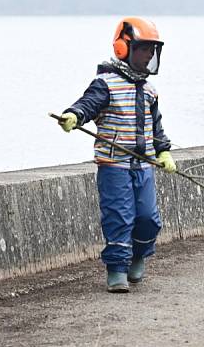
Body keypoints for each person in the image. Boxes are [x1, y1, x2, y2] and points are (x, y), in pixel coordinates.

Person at [56, 17, 176, 293]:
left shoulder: (149, 90)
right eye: (144, 48)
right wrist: (74, 115)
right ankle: (117, 270)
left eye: (151, 50)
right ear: (125, 48)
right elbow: (88, 104)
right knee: (119, 217)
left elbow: (154, 125)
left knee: (148, 218)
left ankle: (138, 257)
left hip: (143, 166)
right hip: (114, 167)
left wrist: (163, 151)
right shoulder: (105, 83)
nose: (148, 55)